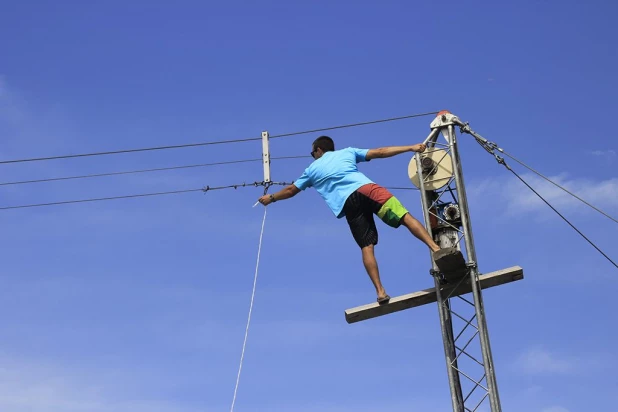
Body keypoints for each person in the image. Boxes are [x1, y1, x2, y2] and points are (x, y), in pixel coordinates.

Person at [257, 135, 464, 304]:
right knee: (405, 217)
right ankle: (436, 249)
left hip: (349, 204)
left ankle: (380, 291)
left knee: (366, 247)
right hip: (368, 190)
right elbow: (380, 152)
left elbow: (292, 190)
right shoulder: (347, 152)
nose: (313, 157)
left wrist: (271, 198)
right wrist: (410, 147)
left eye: (313, 153)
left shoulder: (311, 170)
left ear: (319, 150)